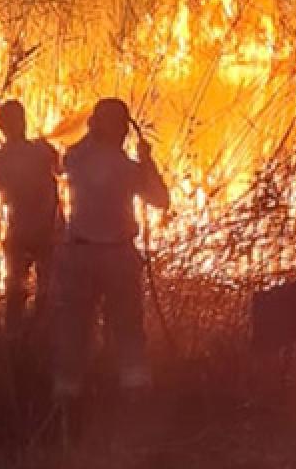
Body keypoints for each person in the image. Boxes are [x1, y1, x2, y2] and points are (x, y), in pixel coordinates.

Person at [53, 98, 169, 401]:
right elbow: (161, 199)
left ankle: (67, 400)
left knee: (74, 330)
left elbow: (67, 158)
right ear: (123, 130)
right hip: (119, 258)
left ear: (94, 127)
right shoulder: (129, 169)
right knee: (128, 329)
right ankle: (135, 395)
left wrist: (95, 128)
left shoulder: (77, 160)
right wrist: (147, 160)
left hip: (80, 255)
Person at [0, 99, 64, 337]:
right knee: (37, 290)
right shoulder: (36, 152)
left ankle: (19, 338)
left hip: (26, 231)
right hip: (39, 231)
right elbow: (60, 169)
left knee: (22, 291)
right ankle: (31, 338)